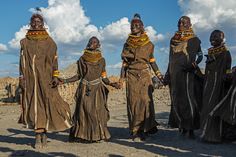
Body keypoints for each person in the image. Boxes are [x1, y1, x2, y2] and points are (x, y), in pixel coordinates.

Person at [19, 13, 72, 149]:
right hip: (31, 80)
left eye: (39, 21)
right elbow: (22, 62)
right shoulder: (24, 42)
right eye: (34, 21)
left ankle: (44, 133)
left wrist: (55, 75)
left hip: (46, 79)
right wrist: (21, 77)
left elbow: (54, 60)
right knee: (34, 106)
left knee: (48, 104)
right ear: (30, 23)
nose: (36, 23)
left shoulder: (50, 42)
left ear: (43, 24)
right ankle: (38, 136)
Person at [59, 36, 119, 142]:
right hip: (84, 88)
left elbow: (104, 77)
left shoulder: (102, 60)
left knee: (97, 112)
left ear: (98, 45)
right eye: (90, 41)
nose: (92, 43)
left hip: (97, 89)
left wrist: (112, 84)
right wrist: (64, 81)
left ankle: (97, 135)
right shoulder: (82, 59)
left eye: (95, 42)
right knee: (83, 112)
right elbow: (78, 75)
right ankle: (82, 135)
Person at [118, 14, 163, 141]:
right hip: (131, 75)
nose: (133, 27)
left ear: (142, 27)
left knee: (145, 101)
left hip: (144, 75)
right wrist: (121, 79)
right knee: (133, 102)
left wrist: (159, 75)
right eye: (132, 25)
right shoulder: (127, 44)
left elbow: (152, 61)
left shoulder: (149, 44)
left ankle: (146, 129)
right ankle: (135, 130)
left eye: (137, 25)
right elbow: (125, 64)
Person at [164, 16, 203, 138]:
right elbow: (171, 58)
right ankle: (182, 126)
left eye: (183, 22)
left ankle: (191, 128)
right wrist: (167, 74)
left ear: (189, 25)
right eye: (179, 22)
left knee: (189, 99)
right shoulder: (173, 40)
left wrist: (194, 64)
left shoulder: (195, 40)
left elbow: (200, 55)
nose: (180, 24)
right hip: (174, 73)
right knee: (176, 99)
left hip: (187, 73)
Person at [200, 30, 232, 143]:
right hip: (208, 85)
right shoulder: (211, 52)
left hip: (218, 85)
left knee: (213, 109)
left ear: (222, 38)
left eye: (216, 36)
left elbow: (228, 70)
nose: (212, 38)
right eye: (211, 36)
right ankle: (205, 134)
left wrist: (225, 77)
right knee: (205, 108)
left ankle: (214, 136)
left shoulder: (225, 52)